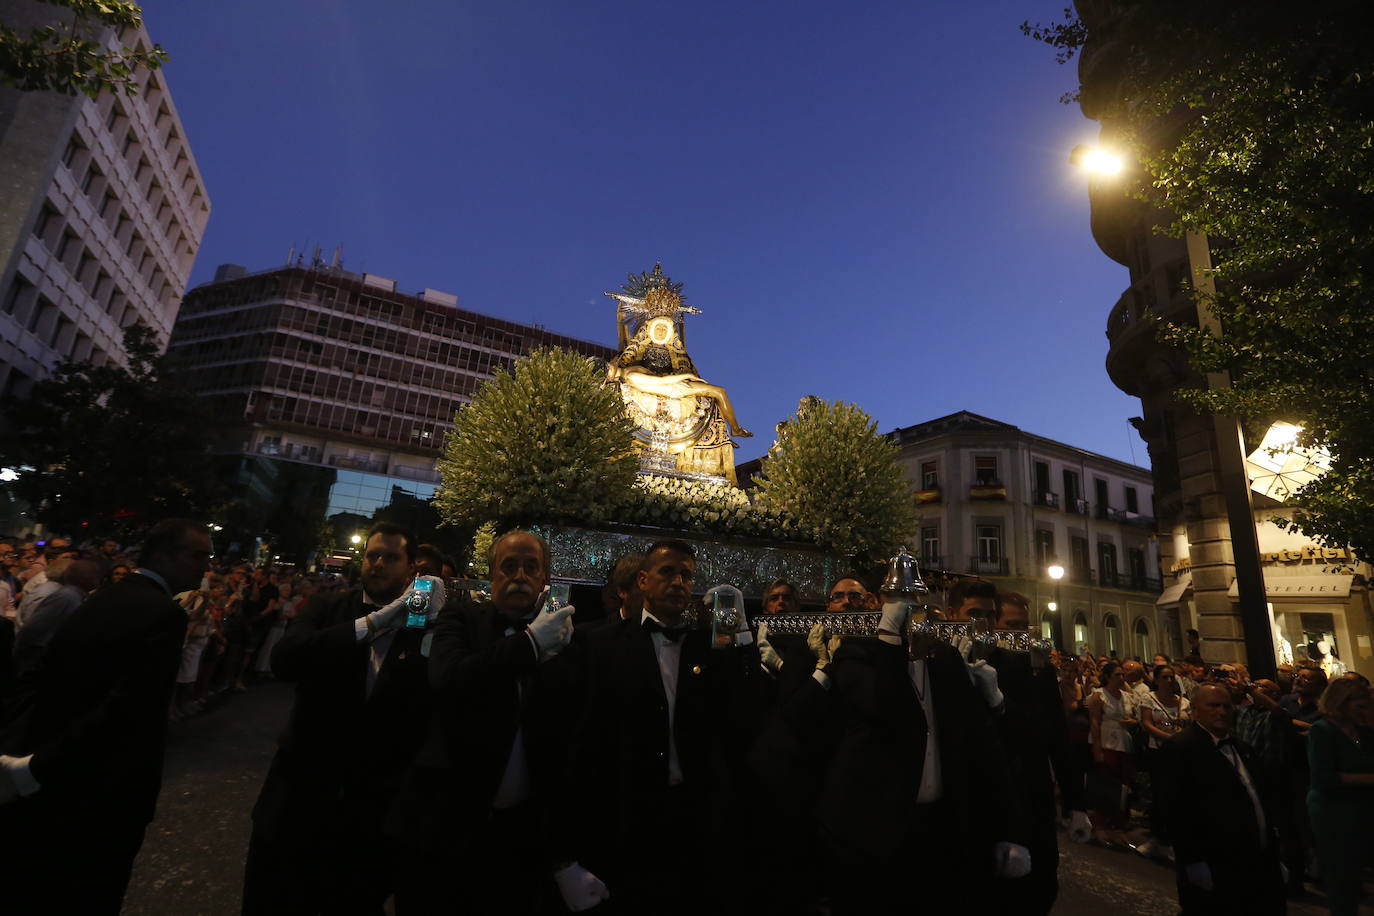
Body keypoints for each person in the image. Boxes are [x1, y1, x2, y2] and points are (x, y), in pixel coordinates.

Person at [754, 577, 1026, 915]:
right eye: (896, 598)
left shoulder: (947, 659)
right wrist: (888, 641)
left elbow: (980, 745)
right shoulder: (854, 652)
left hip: (939, 830)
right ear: (878, 603)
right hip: (872, 833)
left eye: (914, 596)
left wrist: (1009, 828)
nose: (907, 605)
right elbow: (882, 706)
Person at [0, 519, 212, 914]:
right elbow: (130, 708)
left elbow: (42, 672)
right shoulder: (164, 614)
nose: (205, 567)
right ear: (164, 555)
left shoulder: (103, 596)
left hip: (58, 776)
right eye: (198, 556)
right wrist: (36, 766)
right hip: (105, 789)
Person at [242, 522, 440, 915]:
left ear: (411, 569)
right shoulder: (328, 607)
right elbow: (285, 659)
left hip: (371, 807)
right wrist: (370, 624)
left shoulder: (425, 625)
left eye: (390, 557)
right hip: (300, 792)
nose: (378, 564)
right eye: (372, 555)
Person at [390, 529, 589, 914]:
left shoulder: (567, 642)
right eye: (509, 566)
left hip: (519, 838)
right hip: (444, 827)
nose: (519, 575)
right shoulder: (461, 618)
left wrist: (564, 855)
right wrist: (530, 644)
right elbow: (449, 680)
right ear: (492, 574)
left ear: (545, 579)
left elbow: (567, 745)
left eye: (531, 567)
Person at [565, 539, 760, 914]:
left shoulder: (709, 648)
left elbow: (744, 710)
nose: (678, 582)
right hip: (627, 813)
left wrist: (742, 637)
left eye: (686, 575)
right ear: (642, 580)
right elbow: (583, 738)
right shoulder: (601, 644)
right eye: (667, 572)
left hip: (694, 815)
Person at [1159, 684, 1286, 915]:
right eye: (1213, 705)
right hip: (1216, 863)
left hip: (1257, 864)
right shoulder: (1180, 748)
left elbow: (1259, 799)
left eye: (1227, 706)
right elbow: (1176, 810)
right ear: (1195, 710)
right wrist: (1192, 860)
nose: (1221, 712)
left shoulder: (1242, 748)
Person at [1305, 677, 1374, 916]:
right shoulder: (1323, 731)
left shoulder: (1362, 730)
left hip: (1360, 807)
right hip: (1333, 811)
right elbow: (1324, 778)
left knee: (1355, 873)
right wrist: (1368, 779)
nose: (1366, 711)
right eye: (1360, 706)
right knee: (1342, 876)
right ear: (1341, 703)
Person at [1136, 664, 1191, 858]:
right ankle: (1158, 837)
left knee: (1179, 795)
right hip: (1158, 752)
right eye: (1165, 677)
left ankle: (1177, 837)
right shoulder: (1149, 698)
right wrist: (1170, 738)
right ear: (1156, 679)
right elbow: (1147, 724)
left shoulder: (1183, 702)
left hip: (1180, 753)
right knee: (1160, 794)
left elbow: (1192, 723)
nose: (1169, 681)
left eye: (1171, 677)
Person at [1086, 661, 1137, 845]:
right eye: (1117, 675)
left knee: (1122, 786)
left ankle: (1118, 825)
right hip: (1107, 742)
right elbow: (1094, 722)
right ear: (1107, 676)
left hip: (1123, 742)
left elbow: (1132, 716)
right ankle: (1100, 826)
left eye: (1122, 674)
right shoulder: (1099, 696)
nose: (1121, 678)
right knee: (1105, 784)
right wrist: (1097, 748)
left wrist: (1131, 722)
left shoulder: (1126, 696)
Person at [756, 578, 819, 703]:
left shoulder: (810, 643)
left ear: (797, 607)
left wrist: (780, 666)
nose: (781, 602)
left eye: (787, 598)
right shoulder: (754, 641)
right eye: (774, 599)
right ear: (765, 610)